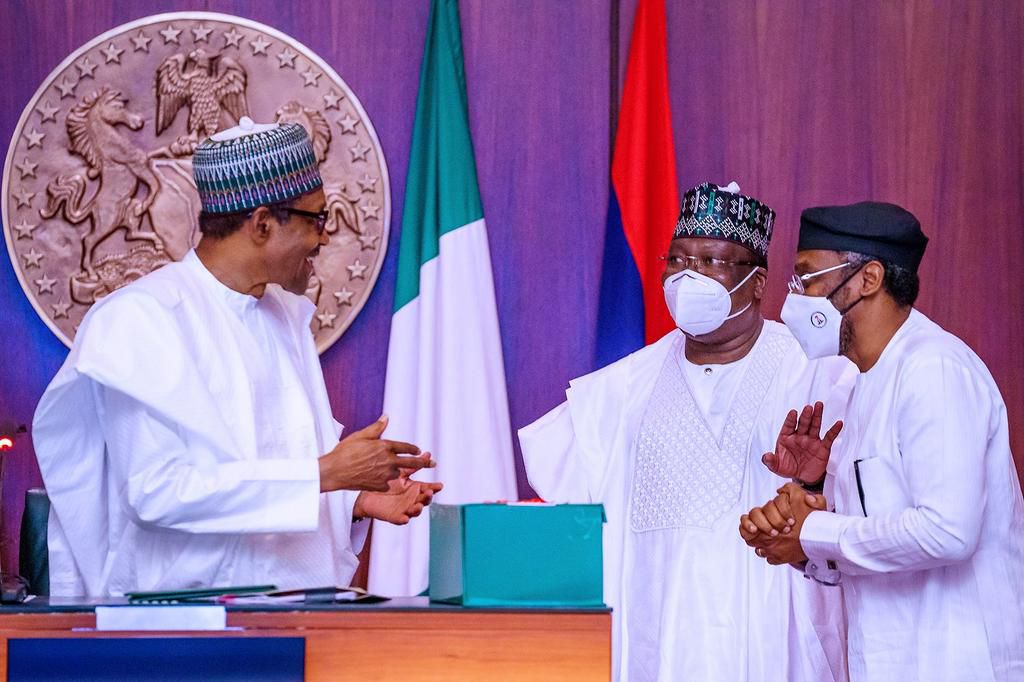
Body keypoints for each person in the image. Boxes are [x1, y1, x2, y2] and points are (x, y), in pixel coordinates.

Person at [33, 118, 443, 597]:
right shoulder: (139, 319)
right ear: (263, 223)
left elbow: (273, 473)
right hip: (184, 632)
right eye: (317, 219)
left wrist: (353, 497)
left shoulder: (283, 315)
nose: (324, 238)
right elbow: (157, 493)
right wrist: (326, 473)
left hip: (297, 617)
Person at [519, 182, 854, 681]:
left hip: (774, 636)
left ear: (758, 282)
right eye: (677, 260)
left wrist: (811, 486)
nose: (687, 276)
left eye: (711, 261)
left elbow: (862, 504)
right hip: (657, 635)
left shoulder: (819, 374)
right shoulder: (618, 390)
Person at [741, 201, 1024, 681]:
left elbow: (948, 532)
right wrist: (809, 505)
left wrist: (813, 533)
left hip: (955, 662)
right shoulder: (863, 384)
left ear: (867, 279)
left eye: (808, 278)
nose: (798, 298)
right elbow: (878, 545)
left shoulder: (933, 369)